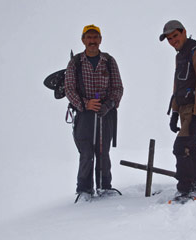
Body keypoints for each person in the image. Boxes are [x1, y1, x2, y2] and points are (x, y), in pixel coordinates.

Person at [65, 24, 124, 201]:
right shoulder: (75, 62)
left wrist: (109, 104)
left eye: (95, 37)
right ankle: (84, 190)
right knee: (86, 153)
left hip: (105, 115)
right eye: (89, 37)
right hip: (83, 115)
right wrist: (85, 104)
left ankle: (104, 186)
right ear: (83, 40)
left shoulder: (109, 61)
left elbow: (118, 87)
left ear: (100, 39)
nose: (92, 41)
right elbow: (69, 89)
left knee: (103, 152)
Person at [159, 20, 196, 199]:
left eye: (175, 35)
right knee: (192, 146)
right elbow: (178, 86)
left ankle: (185, 189)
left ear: (184, 32)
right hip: (184, 108)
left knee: (180, 147)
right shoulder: (180, 55)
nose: (173, 40)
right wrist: (174, 112)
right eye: (169, 38)